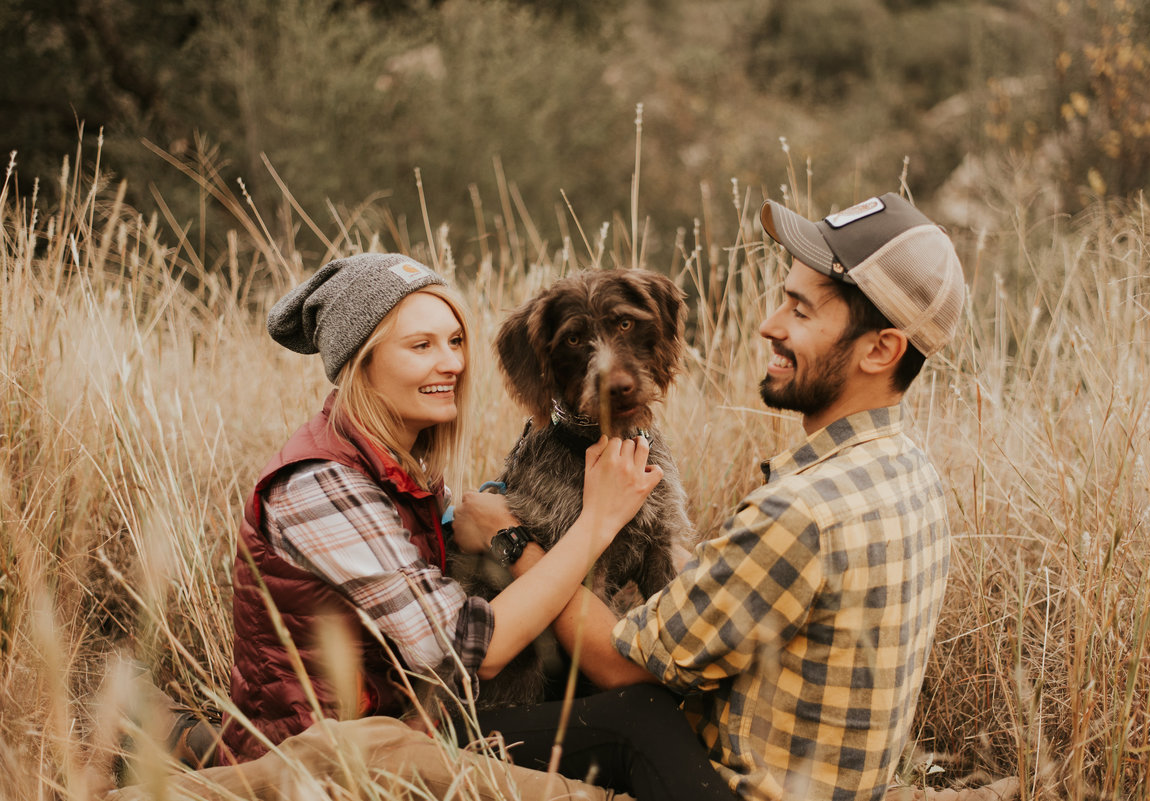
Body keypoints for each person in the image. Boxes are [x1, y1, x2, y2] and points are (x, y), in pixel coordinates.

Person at [126, 252, 737, 801]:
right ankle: (196, 758)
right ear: (360, 363)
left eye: (453, 341)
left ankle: (175, 734)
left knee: (637, 712)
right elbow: (468, 649)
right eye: (421, 347)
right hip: (346, 745)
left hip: (420, 719)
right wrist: (592, 522)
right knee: (633, 730)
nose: (450, 363)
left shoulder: (406, 467)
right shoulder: (318, 484)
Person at [466, 192, 968, 801]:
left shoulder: (799, 513)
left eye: (801, 312)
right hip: (829, 780)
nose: (767, 326)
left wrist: (510, 540)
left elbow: (624, 664)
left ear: (881, 349)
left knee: (437, 748)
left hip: (720, 781)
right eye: (783, 300)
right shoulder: (912, 472)